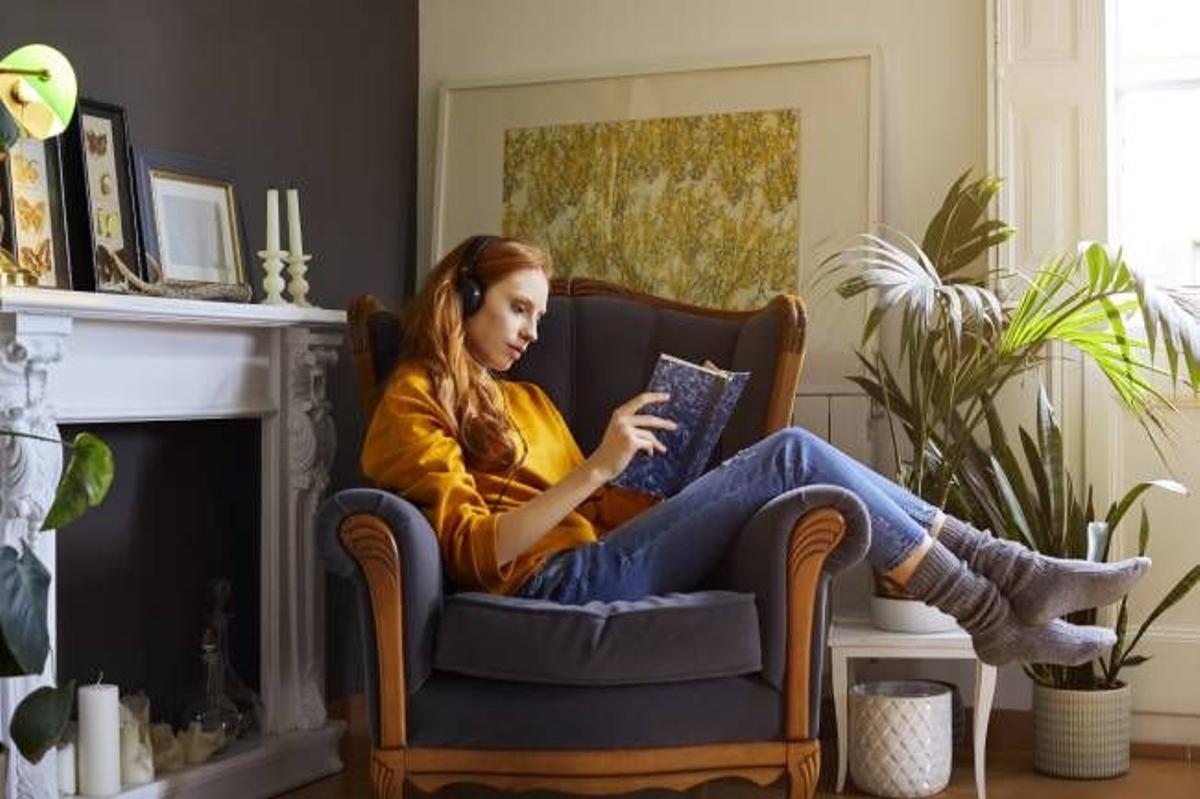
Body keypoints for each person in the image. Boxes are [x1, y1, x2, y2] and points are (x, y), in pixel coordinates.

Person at [361, 234, 1151, 668]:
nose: (533, 331)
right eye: (517, 309)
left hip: (601, 554)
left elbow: (603, 507)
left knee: (777, 462)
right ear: (462, 298)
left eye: (537, 313)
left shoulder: (525, 397)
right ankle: (998, 593)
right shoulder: (412, 400)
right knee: (793, 451)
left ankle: (1007, 582)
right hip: (551, 586)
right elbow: (470, 552)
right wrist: (599, 463)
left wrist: (663, 474)